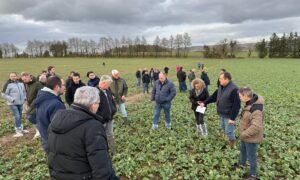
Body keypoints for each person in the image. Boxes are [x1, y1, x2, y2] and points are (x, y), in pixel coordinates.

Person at [48, 86, 119, 179]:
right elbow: (101, 167)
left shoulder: (56, 120)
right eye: (98, 103)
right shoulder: (92, 127)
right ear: (93, 105)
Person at [231, 87, 264, 180]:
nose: (239, 98)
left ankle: (254, 175)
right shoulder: (249, 103)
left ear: (246, 96)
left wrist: (243, 134)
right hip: (245, 136)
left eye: (240, 96)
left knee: (251, 156)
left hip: (251, 138)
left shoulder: (256, 109)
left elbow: (256, 127)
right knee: (243, 150)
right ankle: (241, 164)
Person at [201, 72, 241, 148]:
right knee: (223, 127)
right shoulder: (221, 86)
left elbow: (237, 105)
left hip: (229, 115)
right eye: (219, 79)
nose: (219, 80)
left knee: (229, 131)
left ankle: (232, 145)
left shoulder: (234, 89)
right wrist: (204, 103)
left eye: (221, 79)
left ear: (227, 79)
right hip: (222, 113)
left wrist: (232, 118)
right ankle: (226, 138)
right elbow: (214, 96)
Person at [33, 76, 66, 152]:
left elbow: (32, 116)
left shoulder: (41, 97)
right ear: (57, 87)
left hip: (46, 140)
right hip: (56, 145)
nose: (65, 87)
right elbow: (59, 127)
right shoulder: (56, 104)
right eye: (63, 85)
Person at [1, 72, 27, 137]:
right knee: (17, 116)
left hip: (20, 102)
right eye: (12, 76)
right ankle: (18, 131)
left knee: (20, 116)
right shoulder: (8, 84)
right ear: (10, 77)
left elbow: (24, 91)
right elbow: (3, 94)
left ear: (17, 76)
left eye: (14, 76)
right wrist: (12, 100)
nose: (13, 77)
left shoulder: (21, 83)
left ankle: (21, 129)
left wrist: (24, 98)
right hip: (12, 103)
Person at [97, 75, 117, 155]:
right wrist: (100, 117)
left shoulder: (107, 90)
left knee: (110, 135)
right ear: (104, 83)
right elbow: (93, 108)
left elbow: (112, 101)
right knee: (101, 137)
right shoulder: (95, 92)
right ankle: (104, 152)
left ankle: (113, 152)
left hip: (110, 118)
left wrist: (114, 109)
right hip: (101, 120)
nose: (109, 86)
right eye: (108, 84)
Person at [21, 72, 44, 139]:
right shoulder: (27, 84)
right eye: (23, 80)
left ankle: (41, 129)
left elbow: (42, 94)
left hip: (38, 104)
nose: (24, 81)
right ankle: (39, 130)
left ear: (28, 77)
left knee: (30, 117)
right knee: (32, 117)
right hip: (31, 104)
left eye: (25, 79)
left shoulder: (37, 84)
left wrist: (35, 102)